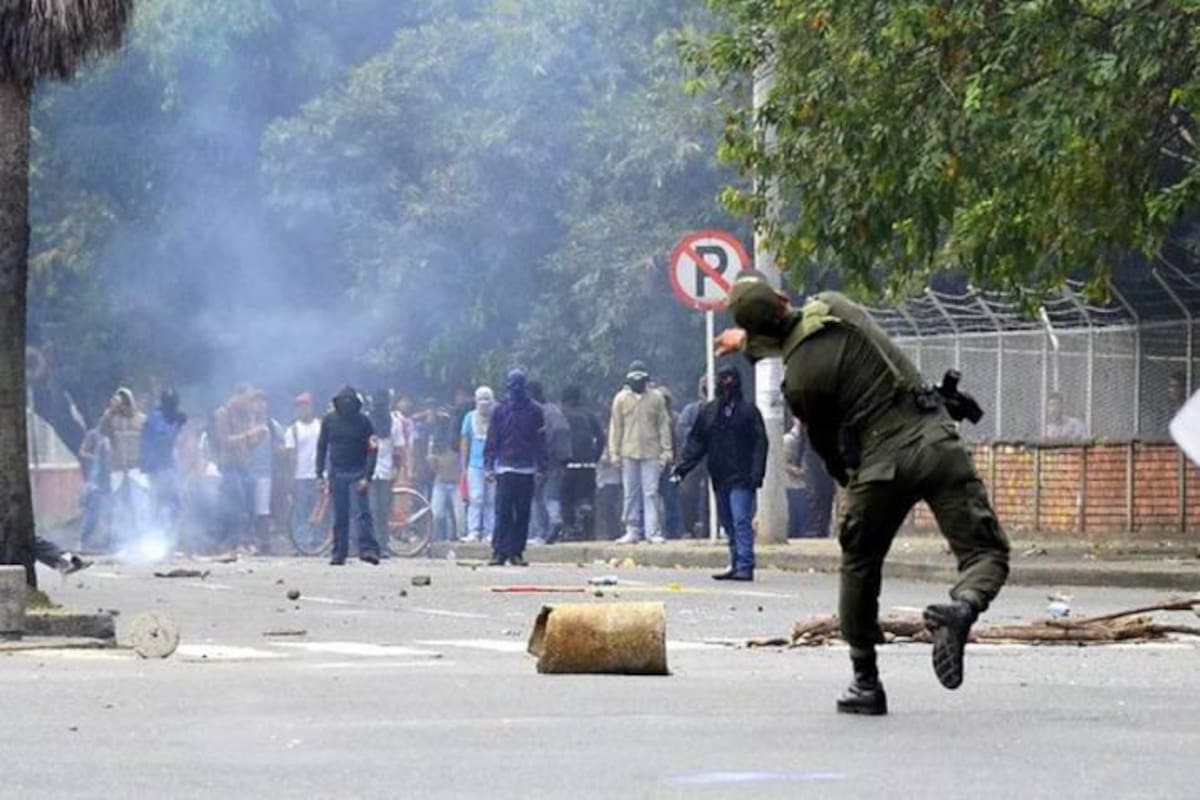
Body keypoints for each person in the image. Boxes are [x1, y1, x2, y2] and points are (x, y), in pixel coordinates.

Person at [719, 272, 1010, 716]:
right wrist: (751, 340)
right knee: (986, 554)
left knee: (859, 563)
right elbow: (800, 330)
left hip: (880, 467)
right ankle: (963, 607)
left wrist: (849, 482)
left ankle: (865, 681)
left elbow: (826, 446)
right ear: (782, 296)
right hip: (935, 439)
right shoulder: (836, 304)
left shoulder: (799, 382)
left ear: (757, 331)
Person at [673, 365, 768, 580]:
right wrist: (682, 469)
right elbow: (697, 444)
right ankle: (736, 562)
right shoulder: (709, 412)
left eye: (730, 379)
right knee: (727, 521)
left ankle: (745, 564)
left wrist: (757, 472)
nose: (727, 384)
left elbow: (760, 444)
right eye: (723, 379)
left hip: (742, 477)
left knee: (741, 519)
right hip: (720, 476)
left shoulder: (748, 412)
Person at [484, 369, 546, 566]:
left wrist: (542, 468)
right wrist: (489, 465)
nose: (516, 391)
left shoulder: (535, 411)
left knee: (522, 513)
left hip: (526, 469)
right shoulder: (500, 411)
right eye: (513, 387)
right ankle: (499, 551)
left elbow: (540, 441)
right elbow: (492, 439)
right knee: (502, 512)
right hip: (504, 468)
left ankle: (517, 552)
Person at [608, 361, 673, 544]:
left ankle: (652, 532)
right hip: (628, 452)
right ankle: (632, 530)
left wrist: (666, 451)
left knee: (651, 492)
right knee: (630, 493)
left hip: (652, 452)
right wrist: (614, 453)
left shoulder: (656, 398)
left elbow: (663, 426)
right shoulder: (620, 399)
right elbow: (616, 427)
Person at [315, 386, 380, 566]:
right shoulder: (329, 421)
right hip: (337, 473)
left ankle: (368, 550)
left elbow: (373, 450)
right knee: (340, 515)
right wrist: (319, 473)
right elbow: (322, 447)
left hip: (358, 472)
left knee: (362, 513)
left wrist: (367, 476)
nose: (346, 405)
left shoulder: (364, 422)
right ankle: (339, 553)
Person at [99, 387, 147, 551]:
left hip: (136, 467)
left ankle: (144, 539)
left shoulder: (141, 420)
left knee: (140, 504)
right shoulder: (111, 420)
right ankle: (119, 542)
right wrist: (110, 412)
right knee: (118, 504)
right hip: (117, 467)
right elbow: (101, 430)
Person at [139, 388, 187, 536]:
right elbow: (161, 438)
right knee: (159, 502)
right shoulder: (155, 418)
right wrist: (176, 425)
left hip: (169, 465)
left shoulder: (171, 417)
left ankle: (171, 536)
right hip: (156, 466)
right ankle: (154, 536)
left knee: (175, 503)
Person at [528, 381, 570, 545]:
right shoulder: (554, 410)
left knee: (538, 497)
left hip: (540, 461)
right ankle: (555, 519)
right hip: (558, 460)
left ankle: (543, 531)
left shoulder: (534, 411)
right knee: (552, 495)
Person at [560, 386, 604, 540]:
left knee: (567, 499)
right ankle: (589, 533)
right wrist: (595, 457)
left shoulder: (562, 413)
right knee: (587, 499)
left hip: (569, 464)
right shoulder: (589, 414)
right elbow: (601, 437)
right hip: (588, 465)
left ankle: (570, 530)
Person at [284, 393, 324, 554]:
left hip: (318, 475)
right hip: (300, 476)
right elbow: (290, 456)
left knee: (319, 509)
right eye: (300, 407)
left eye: (306, 406)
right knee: (300, 511)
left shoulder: (321, 426)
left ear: (311, 407)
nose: (303, 409)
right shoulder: (292, 430)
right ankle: (299, 543)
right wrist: (290, 478)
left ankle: (317, 541)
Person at [460, 386, 496, 543]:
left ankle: (490, 532)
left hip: (493, 464)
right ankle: (473, 531)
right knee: (476, 498)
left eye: (487, 400)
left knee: (491, 500)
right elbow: (465, 441)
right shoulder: (470, 417)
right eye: (481, 400)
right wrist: (464, 465)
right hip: (474, 465)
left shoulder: (497, 417)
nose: (484, 404)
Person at [676, 377, 710, 539]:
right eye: (704, 386)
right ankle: (688, 528)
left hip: (715, 457)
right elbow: (682, 429)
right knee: (687, 492)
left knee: (715, 494)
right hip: (695, 458)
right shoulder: (691, 410)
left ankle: (712, 528)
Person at [368, 389, 399, 555]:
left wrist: (396, 468)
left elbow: (398, 448)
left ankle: (383, 545)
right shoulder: (366, 421)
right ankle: (372, 545)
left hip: (386, 471)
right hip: (369, 471)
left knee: (383, 509)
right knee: (372, 509)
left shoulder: (395, 422)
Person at [427, 405, 460, 542]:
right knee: (437, 513)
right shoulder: (435, 440)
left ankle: (455, 538)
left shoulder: (457, 440)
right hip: (441, 482)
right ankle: (438, 539)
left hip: (456, 482)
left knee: (458, 516)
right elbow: (430, 460)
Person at [77, 424, 110, 553]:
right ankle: (83, 542)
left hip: (112, 479)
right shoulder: (94, 435)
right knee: (94, 512)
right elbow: (82, 452)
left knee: (113, 511)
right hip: (96, 481)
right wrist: (97, 459)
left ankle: (110, 542)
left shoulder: (117, 434)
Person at [784, 419, 809, 539]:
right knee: (795, 520)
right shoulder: (789, 440)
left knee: (801, 520)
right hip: (792, 485)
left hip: (801, 486)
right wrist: (800, 472)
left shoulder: (804, 440)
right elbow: (783, 463)